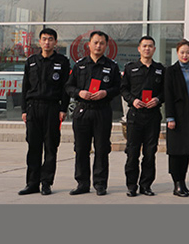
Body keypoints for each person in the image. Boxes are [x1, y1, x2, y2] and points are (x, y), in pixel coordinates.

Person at [65, 30, 121, 195]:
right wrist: (79, 93)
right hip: (83, 110)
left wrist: (106, 93)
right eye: (95, 42)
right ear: (88, 45)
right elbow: (68, 86)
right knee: (81, 149)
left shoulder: (111, 66)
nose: (98, 46)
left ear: (106, 46)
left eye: (102, 43)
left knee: (102, 149)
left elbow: (119, 87)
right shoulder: (80, 65)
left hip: (102, 110)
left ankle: (100, 184)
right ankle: (82, 183)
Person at [18, 28, 71, 196]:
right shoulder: (31, 61)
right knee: (33, 147)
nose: (47, 42)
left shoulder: (62, 62)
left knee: (50, 147)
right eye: (44, 39)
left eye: (50, 39)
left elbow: (66, 88)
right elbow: (25, 87)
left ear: (55, 42)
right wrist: (24, 110)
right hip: (33, 108)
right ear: (39, 41)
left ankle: (46, 183)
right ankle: (32, 183)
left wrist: (63, 108)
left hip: (52, 108)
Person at [120, 36, 164, 197]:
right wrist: (133, 100)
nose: (147, 49)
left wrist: (158, 99)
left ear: (154, 49)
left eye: (150, 46)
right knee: (132, 152)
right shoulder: (130, 68)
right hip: (135, 116)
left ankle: (146, 185)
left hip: (153, 116)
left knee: (150, 153)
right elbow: (123, 89)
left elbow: (166, 91)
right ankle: (131, 185)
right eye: (144, 46)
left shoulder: (160, 69)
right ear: (139, 49)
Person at [163, 39, 189, 197]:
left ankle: (183, 183)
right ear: (177, 53)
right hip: (176, 118)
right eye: (182, 52)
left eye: (188, 52)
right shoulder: (170, 71)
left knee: (186, 150)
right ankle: (177, 184)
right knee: (175, 151)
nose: (185, 55)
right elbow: (168, 95)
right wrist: (170, 117)